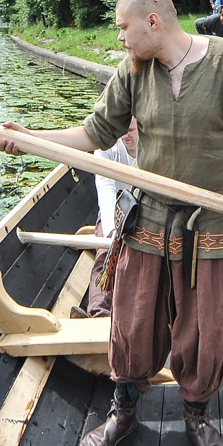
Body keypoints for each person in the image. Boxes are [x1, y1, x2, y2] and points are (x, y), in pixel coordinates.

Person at [0, 0, 223, 446]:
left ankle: (197, 416)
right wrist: (32, 140)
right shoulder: (133, 71)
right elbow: (94, 134)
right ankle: (124, 410)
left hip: (216, 221)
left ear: (153, 20)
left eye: (123, 27)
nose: (120, 38)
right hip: (151, 217)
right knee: (132, 322)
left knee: (207, 329)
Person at [76, 118, 139, 318]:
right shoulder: (107, 145)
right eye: (121, 130)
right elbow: (105, 187)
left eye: (130, 130)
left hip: (148, 211)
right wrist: (112, 232)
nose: (124, 136)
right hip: (115, 211)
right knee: (106, 253)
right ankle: (98, 311)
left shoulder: (154, 144)